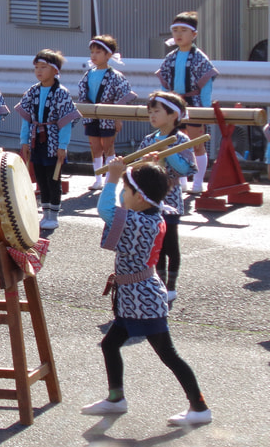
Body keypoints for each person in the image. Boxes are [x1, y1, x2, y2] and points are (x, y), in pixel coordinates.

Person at [81, 157, 211, 427]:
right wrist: (147, 171)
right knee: (110, 344)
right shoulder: (150, 212)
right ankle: (116, 398)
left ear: (140, 198)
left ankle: (199, 407)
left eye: (126, 192)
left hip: (143, 299)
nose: (121, 196)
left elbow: (105, 209)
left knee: (168, 354)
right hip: (134, 297)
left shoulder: (139, 222)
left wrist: (113, 178)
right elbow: (141, 195)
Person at [139, 91, 196, 303]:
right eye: (150, 112)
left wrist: (166, 151)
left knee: (171, 245)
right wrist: (146, 161)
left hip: (170, 201)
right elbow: (136, 171)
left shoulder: (181, 140)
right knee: (157, 246)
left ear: (173, 115)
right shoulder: (148, 140)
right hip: (149, 202)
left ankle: (171, 285)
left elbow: (186, 169)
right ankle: (159, 283)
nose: (152, 116)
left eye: (157, 111)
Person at [15, 49, 80, 230]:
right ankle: (45, 213)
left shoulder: (61, 93)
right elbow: (26, 119)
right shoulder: (32, 92)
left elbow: (66, 122)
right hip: (37, 139)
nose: (39, 71)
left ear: (55, 70)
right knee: (41, 179)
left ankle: (54, 214)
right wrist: (24, 142)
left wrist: (62, 145)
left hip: (53, 140)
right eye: (36, 67)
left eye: (43, 67)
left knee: (54, 178)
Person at [155, 11, 218, 194]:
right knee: (176, 143)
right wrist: (165, 103)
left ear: (194, 34)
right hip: (174, 103)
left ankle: (198, 182)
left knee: (196, 142)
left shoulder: (200, 57)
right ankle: (182, 181)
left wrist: (205, 108)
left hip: (194, 101)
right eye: (175, 30)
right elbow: (164, 81)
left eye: (184, 30)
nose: (179, 34)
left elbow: (206, 83)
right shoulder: (170, 57)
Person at [77, 35, 136, 190]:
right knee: (95, 146)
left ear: (108, 55)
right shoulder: (88, 74)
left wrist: (118, 118)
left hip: (109, 114)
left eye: (98, 52)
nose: (94, 55)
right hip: (92, 114)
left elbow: (123, 96)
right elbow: (83, 95)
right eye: (92, 52)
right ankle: (98, 178)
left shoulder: (116, 75)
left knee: (108, 146)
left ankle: (110, 178)